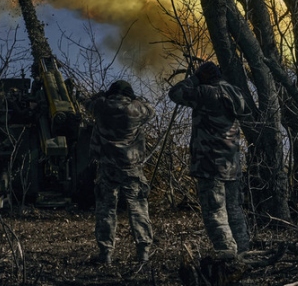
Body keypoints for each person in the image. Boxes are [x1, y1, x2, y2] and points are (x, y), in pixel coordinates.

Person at [168, 61, 251, 260]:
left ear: (205, 77)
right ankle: (244, 253)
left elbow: (175, 93)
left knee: (215, 212)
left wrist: (194, 78)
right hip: (231, 163)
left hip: (209, 162)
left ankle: (228, 256)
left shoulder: (206, 92)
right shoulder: (236, 93)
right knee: (234, 211)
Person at [87, 80, 155, 265]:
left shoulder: (101, 106)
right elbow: (151, 110)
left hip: (107, 167)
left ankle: (105, 253)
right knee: (138, 208)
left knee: (106, 209)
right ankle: (143, 252)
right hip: (132, 168)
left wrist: (100, 96)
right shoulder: (137, 108)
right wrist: (137, 99)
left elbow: (87, 103)